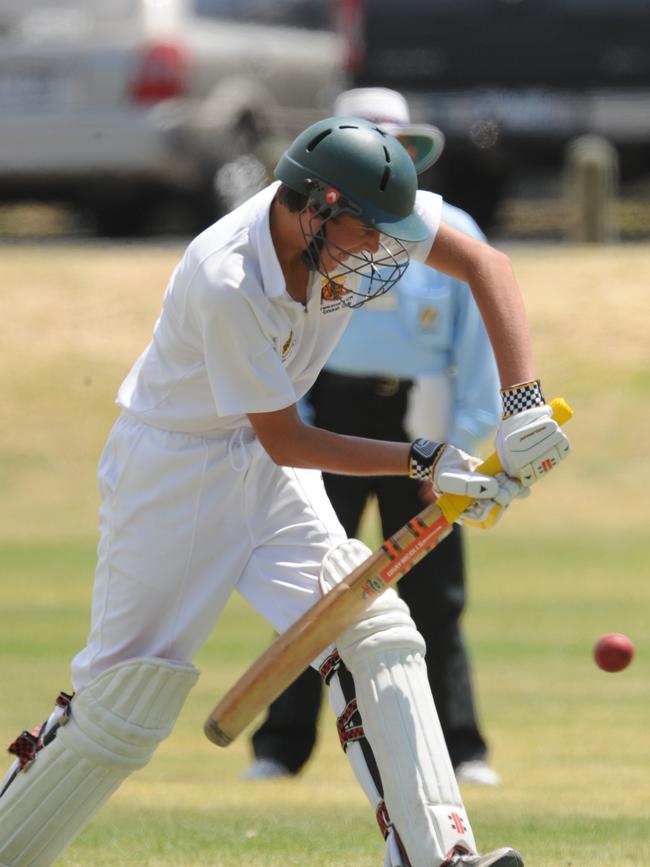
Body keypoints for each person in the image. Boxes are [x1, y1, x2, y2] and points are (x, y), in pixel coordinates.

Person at [0, 114, 570, 867]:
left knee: (376, 631)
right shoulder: (227, 277)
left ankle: (440, 859)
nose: (378, 250)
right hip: (174, 472)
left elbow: (486, 264)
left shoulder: (354, 209)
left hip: (265, 471)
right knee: (123, 707)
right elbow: (289, 437)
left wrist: (521, 402)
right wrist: (423, 458)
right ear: (314, 205)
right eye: (363, 233)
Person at [244, 87, 502, 788]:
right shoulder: (308, 231)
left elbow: (475, 348)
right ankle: (280, 745)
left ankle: (461, 747)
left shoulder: (449, 227)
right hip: (327, 414)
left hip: (420, 415)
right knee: (307, 581)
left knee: (434, 594)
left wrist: (461, 439)